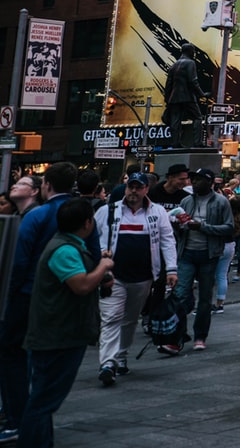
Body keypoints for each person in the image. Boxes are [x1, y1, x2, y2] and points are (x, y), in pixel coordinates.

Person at [17, 198, 112, 448]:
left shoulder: (69, 246)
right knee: (43, 401)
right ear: (88, 223)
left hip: (59, 334)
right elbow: (81, 285)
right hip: (58, 337)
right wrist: (102, 267)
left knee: (43, 399)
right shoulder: (64, 249)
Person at [93, 172, 176, 385]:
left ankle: (120, 357)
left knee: (130, 319)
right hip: (113, 276)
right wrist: (101, 257)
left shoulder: (158, 213)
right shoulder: (107, 212)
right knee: (111, 317)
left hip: (144, 277)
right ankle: (108, 363)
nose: (134, 191)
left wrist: (172, 269)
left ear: (146, 189)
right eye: (131, 186)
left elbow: (167, 241)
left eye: (139, 187)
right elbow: (94, 239)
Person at [169, 167, 234, 351]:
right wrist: (178, 224)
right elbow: (179, 226)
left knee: (205, 297)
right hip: (187, 252)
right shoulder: (186, 201)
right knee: (180, 294)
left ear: (209, 182)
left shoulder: (221, 202)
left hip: (208, 254)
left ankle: (200, 335)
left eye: (199, 180)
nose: (195, 183)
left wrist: (202, 227)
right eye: (193, 180)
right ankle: (177, 336)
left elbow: (229, 227)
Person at [163, 44, 204, 147]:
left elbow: (168, 85)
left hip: (174, 98)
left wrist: (167, 100)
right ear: (190, 51)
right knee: (198, 117)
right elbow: (193, 81)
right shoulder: (190, 63)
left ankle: (175, 143)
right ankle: (197, 143)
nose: (194, 53)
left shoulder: (174, 65)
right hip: (187, 97)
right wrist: (201, 94)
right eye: (193, 51)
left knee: (175, 121)